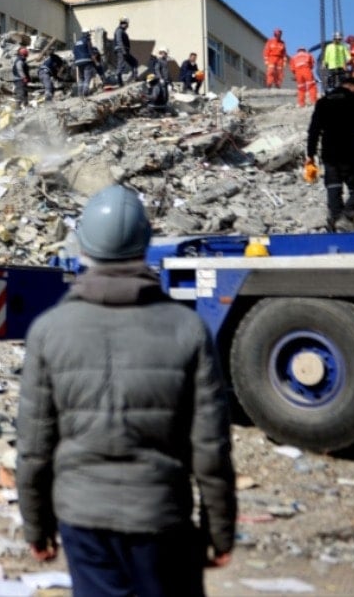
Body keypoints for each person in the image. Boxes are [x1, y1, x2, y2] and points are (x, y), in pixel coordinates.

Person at [16, 184, 236, 597]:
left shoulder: (49, 331)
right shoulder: (187, 328)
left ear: (83, 246)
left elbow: (34, 445)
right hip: (162, 517)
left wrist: (37, 525)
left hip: (83, 519)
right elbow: (211, 447)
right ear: (146, 243)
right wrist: (219, 530)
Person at [306, 75, 354, 231]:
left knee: (333, 186)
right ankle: (346, 216)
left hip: (329, 151)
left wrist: (311, 154)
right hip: (350, 150)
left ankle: (336, 221)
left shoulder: (323, 103)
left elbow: (314, 130)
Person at [71, 31, 100, 97]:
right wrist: (96, 62)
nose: (90, 36)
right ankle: (85, 92)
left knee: (81, 78)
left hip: (78, 62)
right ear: (87, 34)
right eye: (89, 35)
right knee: (87, 77)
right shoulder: (87, 41)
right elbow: (91, 53)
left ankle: (80, 93)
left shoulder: (76, 43)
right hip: (86, 61)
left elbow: (73, 52)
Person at [112, 17, 137, 87]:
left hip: (124, 50)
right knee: (121, 66)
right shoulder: (119, 31)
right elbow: (119, 41)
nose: (127, 26)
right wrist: (123, 51)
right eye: (127, 24)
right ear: (125, 24)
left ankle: (134, 77)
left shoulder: (121, 31)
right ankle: (119, 82)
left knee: (134, 62)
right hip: (122, 51)